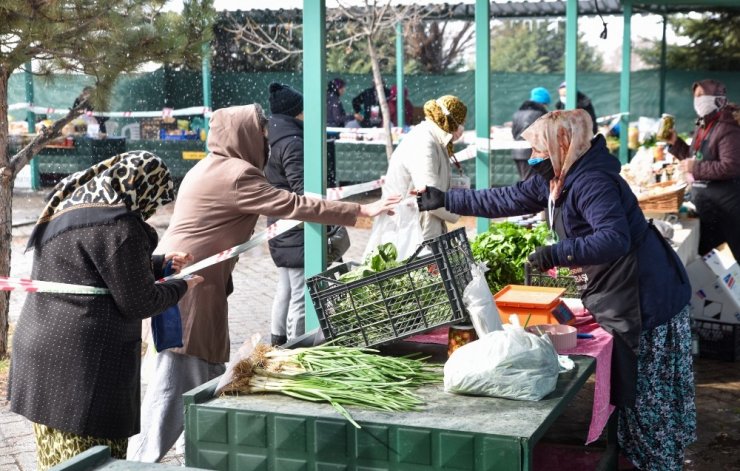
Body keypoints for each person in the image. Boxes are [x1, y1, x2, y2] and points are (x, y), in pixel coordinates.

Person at [416, 109, 696, 470]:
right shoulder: (560, 174)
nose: (534, 157)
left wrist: (558, 252)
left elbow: (613, 238)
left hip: (646, 297)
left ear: (563, 144)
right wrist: (446, 199)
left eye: (540, 149)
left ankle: (658, 463)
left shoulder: (592, 180)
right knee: (636, 402)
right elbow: (508, 199)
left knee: (647, 403)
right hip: (626, 291)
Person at [126, 104, 400, 463]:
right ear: (244, 135)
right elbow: (294, 204)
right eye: (261, 135)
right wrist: (361, 211)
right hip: (191, 289)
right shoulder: (237, 174)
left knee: (204, 371)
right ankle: (138, 462)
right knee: (176, 378)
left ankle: (193, 446)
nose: (266, 143)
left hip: (189, 281)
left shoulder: (209, 165)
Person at [8, 151, 202, 470]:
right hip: (82, 366)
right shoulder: (120, 227)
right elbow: (139, 302)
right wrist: (182, 285)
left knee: (56, 458)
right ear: (143, 188)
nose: (153, 208)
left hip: (44, 351)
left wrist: (157, 264)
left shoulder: (73, 206)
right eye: (156, 197)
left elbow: (87, 268)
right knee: (92, 460)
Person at [264, 82, 350, 345]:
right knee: (300, 293)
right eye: (303, 110)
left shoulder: (274, 139)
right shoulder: (292, 143)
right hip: (295, 228)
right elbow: (303, 193)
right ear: (295, 113)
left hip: (280, 224)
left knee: (287, 288)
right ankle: (294, 346)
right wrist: (327, 217)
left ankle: (277, 341)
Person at [662, 78, 740, 261]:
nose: (697, 100)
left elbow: (732, 166)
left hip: (726, 210)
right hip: (708, 207)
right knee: (711, 264)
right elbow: (694, 158)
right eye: (695, 96)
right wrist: (676, 144)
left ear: (716, 97)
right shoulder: (704, 125)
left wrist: (696, 167)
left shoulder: (728, 129)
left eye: (701, 95)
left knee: (732, 262)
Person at [382, 95, 466, 241]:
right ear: (452, 121)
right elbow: (430, 197)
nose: (462, 128)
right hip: (412, 229)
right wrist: (459, 208)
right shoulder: (425, 142)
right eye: (461, 122)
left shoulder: (434, 139)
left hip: (421, 224)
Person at [511, 86, 551, 180]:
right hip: (533, 153)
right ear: (543, 103)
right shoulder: (541, 114)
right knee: (531, 184)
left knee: (525, 181)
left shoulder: (518, 113)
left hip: (517, 153)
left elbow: (514, 133)